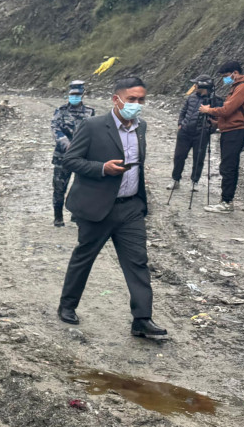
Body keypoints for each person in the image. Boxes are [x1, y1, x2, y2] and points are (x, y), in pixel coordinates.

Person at [57, 76, 166, 339]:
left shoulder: (141, 127)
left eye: (141, 100)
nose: (137, 104)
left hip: (131, 208)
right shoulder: (93, 126)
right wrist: (102, 168)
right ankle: (67, 305)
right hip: (97, 207)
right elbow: (70, 160)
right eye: (131, 99)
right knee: (84, 257)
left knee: (138, 262)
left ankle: (142, 319)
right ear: (116, 99)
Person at [199, 60, 244, 213]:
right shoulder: (237, 86)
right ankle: (225, 200)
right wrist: (218, 123)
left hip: (235, 131)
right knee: (227, 165)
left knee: (228, 166)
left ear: (235, 73)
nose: (225, 79)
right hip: (230, 129)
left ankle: (227, 202)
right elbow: (232, 113)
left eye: (226, 76)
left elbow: (227, 110)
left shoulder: (243, 87)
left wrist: (209, 110)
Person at [50, 81, 95, 226]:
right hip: (63, 156)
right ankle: (58, 216)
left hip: (82, 156)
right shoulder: (61, 111)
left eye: (77, 94)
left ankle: (77, 214)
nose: (74, 97)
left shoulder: (89, 112)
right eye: (72, 94)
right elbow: (55, 129)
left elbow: (93, 132)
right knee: (59, 186)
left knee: (81, 187)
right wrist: (67, 145)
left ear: (82, 95)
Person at [168, 76, 220, 193]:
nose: (194, 86)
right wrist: (180, 124)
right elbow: (183, 111)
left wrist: (209, 130)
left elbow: (218, 117)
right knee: (179, 156)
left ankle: (195, 181)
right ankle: (175, 179)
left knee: (198, 158)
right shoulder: (191, 97)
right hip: (185, 132)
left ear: (203, 85)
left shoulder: (214, 100)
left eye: (196, 84)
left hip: (201, 134)